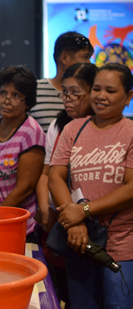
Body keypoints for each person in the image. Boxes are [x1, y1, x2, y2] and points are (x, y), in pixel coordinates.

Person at [49, 63, 133, 309]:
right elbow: (55, 176)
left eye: (111, 90)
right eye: (97, 89)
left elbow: (131, 187)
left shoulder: (130, 132)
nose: (101, 96)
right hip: (79, 240)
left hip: (121, 244)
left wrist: (83, 211)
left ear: (128, 96)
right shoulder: (73, 129)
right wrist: (75, 221)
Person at [35, 62, 98, 309]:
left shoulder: (105, 127)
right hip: (59, 220)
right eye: (65, 92)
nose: (68, 99)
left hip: (92, 221)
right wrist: (45, 210)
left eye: (75, 93)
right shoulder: (58, 126)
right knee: (65, 292)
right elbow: (47, 174)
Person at [0, 65, 45, 242]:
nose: (7, 100)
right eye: (3, 93)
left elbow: (25, 189)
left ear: (28, 101)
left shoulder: (31, 132)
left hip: (18, 226)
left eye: (15, 96)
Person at [30, 31, 94, 132]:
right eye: (85, 57)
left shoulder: (94, 92)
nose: (89, 63)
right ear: (64, 58)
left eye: (75, 92)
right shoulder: (33, 90)